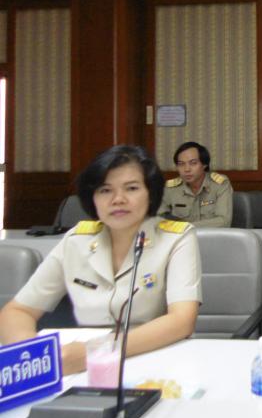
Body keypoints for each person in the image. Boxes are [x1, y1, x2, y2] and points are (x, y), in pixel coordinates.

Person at [0, 145, 201, 375]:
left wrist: (95, 352)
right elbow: (17, 312)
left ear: (151, 194)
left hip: (153, 359)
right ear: (92, 197)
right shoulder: (77, 240)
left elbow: (182, 320)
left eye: (132, 188)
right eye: (105, 190)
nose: (118, 199)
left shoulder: (175, 238)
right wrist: (34, 358)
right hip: (77, 366)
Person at [158, 141, 233, 228]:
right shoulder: (170, 188)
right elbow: (158, 218)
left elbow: (224, 221)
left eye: (193, 163)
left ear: (204, 164)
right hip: (181, 236)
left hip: (211, 236)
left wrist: (185, 227)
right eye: (181, 164)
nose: (186, 169)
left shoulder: (220, 184)